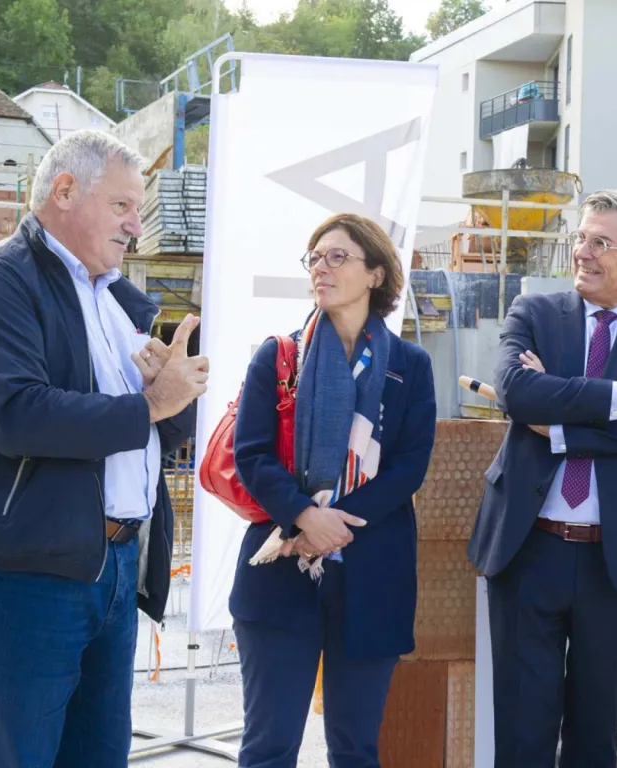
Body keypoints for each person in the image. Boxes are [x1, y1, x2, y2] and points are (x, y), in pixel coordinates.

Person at [0, 130, 208, 768]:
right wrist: (149, 405)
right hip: (29, 572)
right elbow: (19, 415)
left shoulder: (113, 300)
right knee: (17, 756)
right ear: (64, 191)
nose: (137, 226)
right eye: (122, 206)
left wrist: (175, 398)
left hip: (111, 565)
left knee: (96, 755)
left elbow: (146, 432)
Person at [468, 188, 617, 767]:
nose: (584, 252)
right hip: (529, 551)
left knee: (594, 737)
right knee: (521, 735)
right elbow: (520, 395)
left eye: (602, 242)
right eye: (581, 237)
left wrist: (561, 427)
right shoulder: (535, 312)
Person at [229, 213, 437, 768]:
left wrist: (334, 523)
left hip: (371, 575)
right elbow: (251, 455)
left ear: (375, 273)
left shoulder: (411, 367)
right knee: (269, 747)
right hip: (279, 572)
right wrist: (303, 516)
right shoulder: (278, 357)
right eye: (315, 258)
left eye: (337, 256)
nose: (321, 267)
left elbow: (409, 467)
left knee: (355, 749)